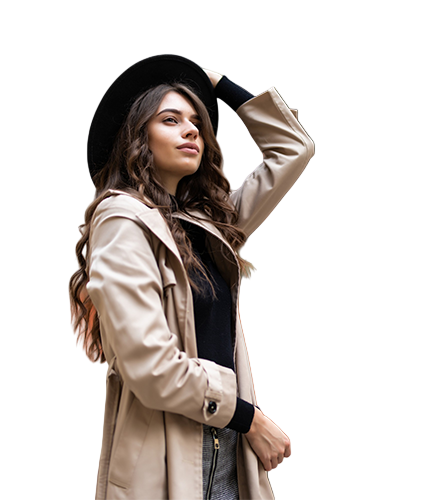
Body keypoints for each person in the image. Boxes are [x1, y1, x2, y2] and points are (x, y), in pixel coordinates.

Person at [69, 54, 315, 499]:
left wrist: (217, 82)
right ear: (136, 136)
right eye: (171, 120)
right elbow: (151, 366)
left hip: (230, 448)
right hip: (168, 455)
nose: (191, 130)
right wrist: (250, 418)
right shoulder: (121, 221)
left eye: (197, 122)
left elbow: (293, 148)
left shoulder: (211, 224)